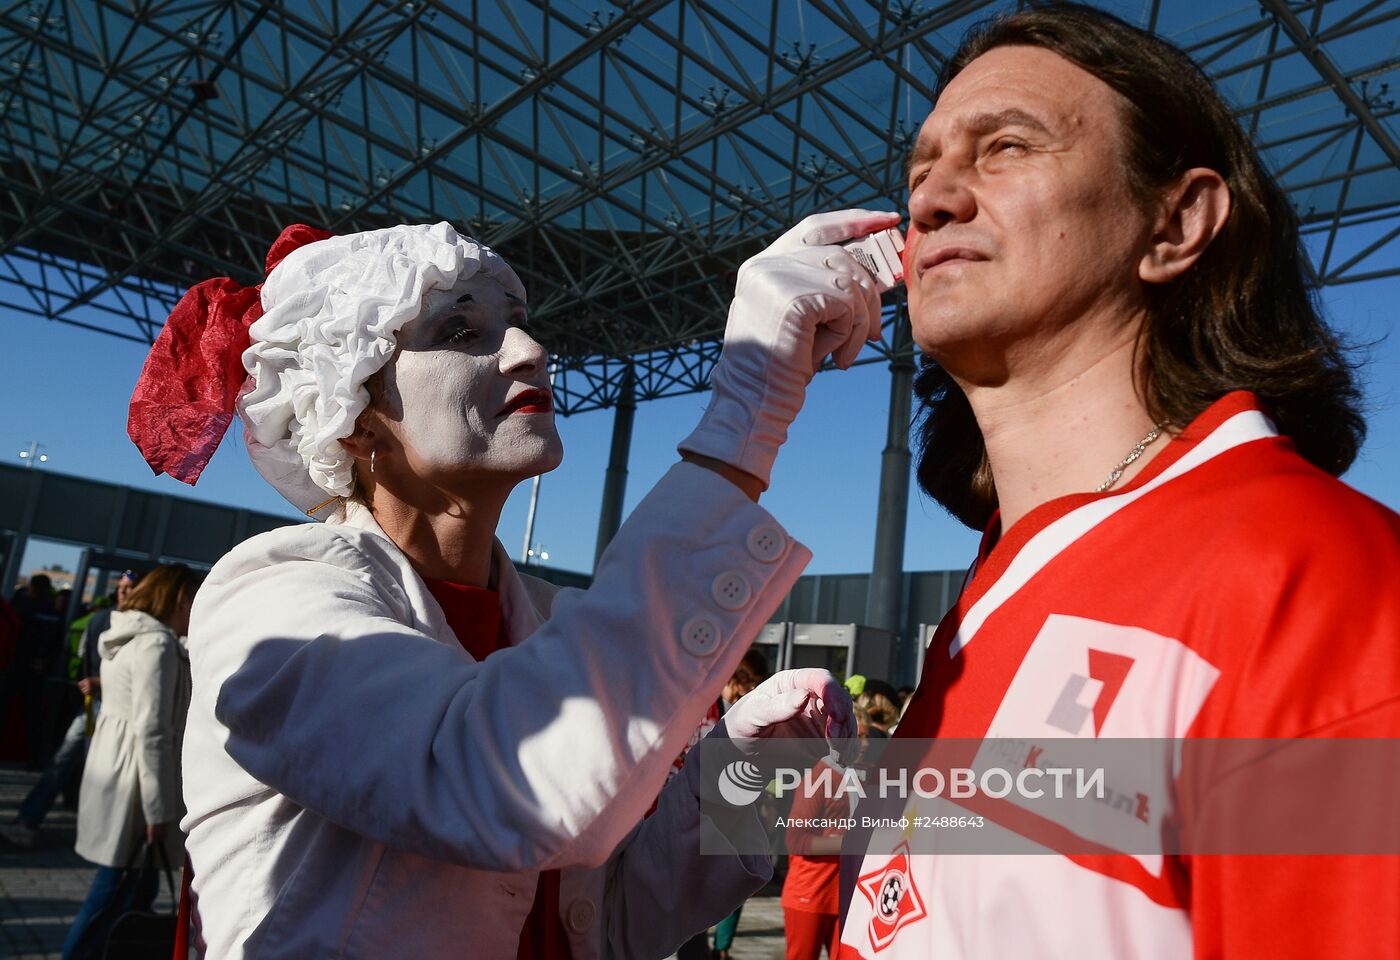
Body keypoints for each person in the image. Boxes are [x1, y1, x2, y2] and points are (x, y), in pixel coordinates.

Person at [124, 215, 888, 957]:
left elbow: (605, 926)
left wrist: (744, 772)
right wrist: (745, 414)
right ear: (353, 423)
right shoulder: (271, 597)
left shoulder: (550, 619)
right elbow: (509, 796)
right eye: (461, 332)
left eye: (520, 322)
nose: (529, 350)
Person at [833, 5, 1400, 959]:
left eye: (1006, 146)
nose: (930, 199)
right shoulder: (991, 599)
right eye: (921, 167)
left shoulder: (1319, 586)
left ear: (1176, 222)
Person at [62, 563, 199, 960]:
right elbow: (152, 729)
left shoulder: (128, 634)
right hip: (138, 784)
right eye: (193, 600)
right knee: (111, 892)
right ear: (179, 597)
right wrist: (159, 810)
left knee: (127, 889)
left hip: (119, 770)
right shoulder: (156, 644)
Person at [1, 572, 140, 850]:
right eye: (122, 587)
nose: (125, 592)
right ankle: (29, 819)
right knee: (65, 759)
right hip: (93, 706)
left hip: (122, 707)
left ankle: (98, 831)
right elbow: (84, 658)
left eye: (131, 587)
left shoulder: (143, 625)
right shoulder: (101, 619)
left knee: (99, 768)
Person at [783, 706, 872, 960]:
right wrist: (849, 842)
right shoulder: (817, 777)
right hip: (810, 892)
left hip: (846, 894)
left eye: (866, 736)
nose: (864, 743)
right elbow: (795, 840)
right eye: (857, 736)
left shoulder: (863, 775)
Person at [0, 574, 64, 768]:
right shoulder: (54, 611)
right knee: (34, 716)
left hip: (16, 667)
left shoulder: (22, 606)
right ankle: (35, 758)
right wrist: (44, 662)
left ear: (32, 588)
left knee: (4, 709)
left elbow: (13, 636)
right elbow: (58, 642)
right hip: (40, 670)